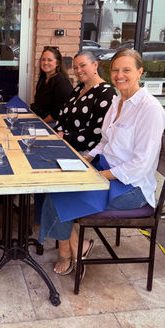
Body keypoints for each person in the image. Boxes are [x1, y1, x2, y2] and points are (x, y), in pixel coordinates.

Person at [40, 48, 165, 277]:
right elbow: (104, 142)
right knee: (56, 185)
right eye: (116, 70)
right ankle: (78, 246)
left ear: (140, 72)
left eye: (127, 70)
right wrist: (86, 158)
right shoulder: (117, 101)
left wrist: (98, 175)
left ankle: (67, 252)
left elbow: (141, 165)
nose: (120, 75)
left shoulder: (150, 109)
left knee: (64, 195)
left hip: (131, 187)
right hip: (105, 168)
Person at [54, 50, 116, 153]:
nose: (78, 71)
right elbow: (63, 114)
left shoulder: (106, 92)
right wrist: (58, 133)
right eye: (75, 68)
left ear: (95, 65)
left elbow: (98, 130)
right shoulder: (79, 88)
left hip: (85, 152)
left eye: (83, 65)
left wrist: (66, 137)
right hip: (63, 144)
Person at [30, 46, 73, 124]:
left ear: (57, 63)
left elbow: (57, 115)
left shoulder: (62, 83)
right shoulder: (43, 78)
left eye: (49, 60)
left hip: (52, 124)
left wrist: (39, 124)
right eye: (43, 60)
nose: (45, 63)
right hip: (39, 118)